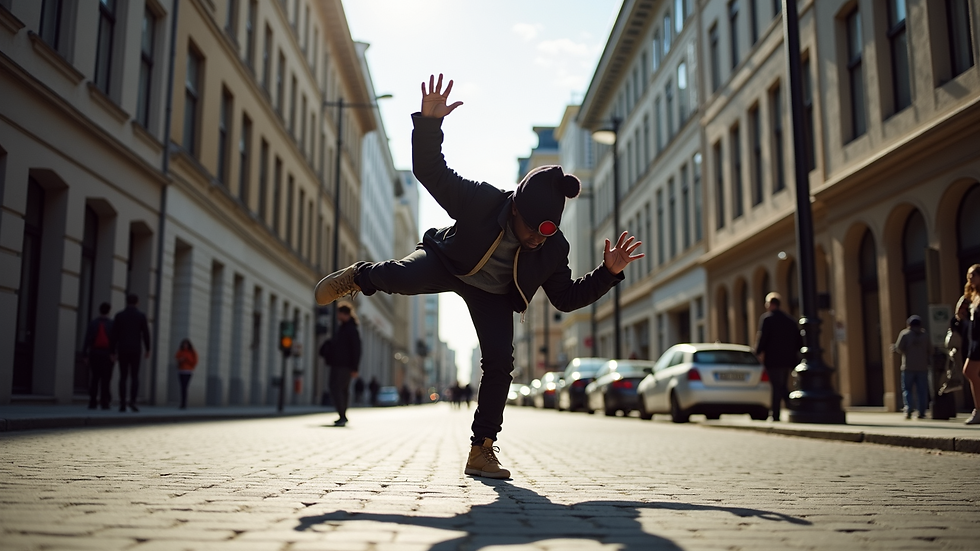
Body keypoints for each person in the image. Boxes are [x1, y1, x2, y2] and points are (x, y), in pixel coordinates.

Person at [313, 74, 643, 479]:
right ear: (515, 208)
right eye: (531, 230)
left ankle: (481, 450)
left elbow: (566, 298)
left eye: (546, 234)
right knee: (404, 277)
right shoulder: (482, 200)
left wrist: (607, 274)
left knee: (501, 364)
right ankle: (357, 277)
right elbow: (431, 171)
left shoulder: (554, 248)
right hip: (448, 261)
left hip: (495, 295)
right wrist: (430, 124)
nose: (536, 241)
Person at [754, 292, 802, 422]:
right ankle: (791, 407)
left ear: (770, 304)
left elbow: (763, 338)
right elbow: (799, 341)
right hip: (788, 360)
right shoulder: (790, 320)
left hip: (773, 359)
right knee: (782, 385)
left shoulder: (767, 319)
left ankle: (778, 413)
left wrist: (757, 352)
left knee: (777, 386)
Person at [110, 293, 151, 412]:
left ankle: (122, 403)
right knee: (134, 376)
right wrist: (148, 349)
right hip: (135, 349)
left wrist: (112, 351)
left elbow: (114, 334)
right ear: (137, 302)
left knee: (123, 376)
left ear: (126, 301)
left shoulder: (119, 316)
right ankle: (133, 401)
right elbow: (146, 333)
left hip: (122, 348)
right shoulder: (141, 316)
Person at [327, 303, 361, 427]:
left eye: (339, 313)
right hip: (339, 364)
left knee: (337, 388)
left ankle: (342, 415)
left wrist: (355, 367)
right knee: (342, 390)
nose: (337, 316)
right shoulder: (343, 327)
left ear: (344, 314)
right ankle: (342, 415)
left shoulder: (350, 329)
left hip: (343, 366)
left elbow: (356, 349)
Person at [893, 315, 933, 419]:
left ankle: (909, 408)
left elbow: (899, 348)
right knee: (922, 390)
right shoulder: (925, 335)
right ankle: (921, 411)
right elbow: (930, 350)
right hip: (922, 367)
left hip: (908, 366)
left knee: (907, 389)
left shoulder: (905, 334)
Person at [82, 302, 114, 410]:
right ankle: (104, 402)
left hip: (94, 353)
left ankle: (92, 402)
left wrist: (84, 354)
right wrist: (114, 353)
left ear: (99, 310)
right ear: (109, 311)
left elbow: (87, 339)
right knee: (106, 379)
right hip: (107, 354)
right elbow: (114, 340)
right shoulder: (111, 324)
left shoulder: (93, 323)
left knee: (95, 378)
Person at [962, 264, 980, 425]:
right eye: (969, 275)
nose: (970, 277)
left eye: (973, 275)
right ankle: (978, 410)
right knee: (969, 372)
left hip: (979, 340)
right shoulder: (973, 296)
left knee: (969, 371)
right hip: (974, 340)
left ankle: (978, 410)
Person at [175, 339, 198, 409]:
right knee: (182, 387)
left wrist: (187, 358)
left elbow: (194, 361)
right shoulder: (180, 351)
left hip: (188, 371)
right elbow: (177, 358)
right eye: (184, 344)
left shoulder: (192, 352)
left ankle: (184, 403)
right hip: (181, 371)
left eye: (186, 344)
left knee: (185, 387)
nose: (185, 346)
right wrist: (181, 360)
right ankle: (182, 402)